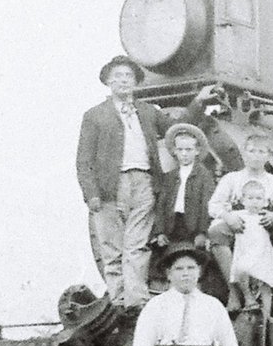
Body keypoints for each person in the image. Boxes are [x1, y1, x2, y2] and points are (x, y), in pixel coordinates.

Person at [76, 55, 217, 308]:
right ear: (108, 81)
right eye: (118, 76)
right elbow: (84, 159)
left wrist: (198, 101)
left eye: (128, 76)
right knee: (112, 249)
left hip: (144, 182)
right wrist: (91, 193)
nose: (123, 80)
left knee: (137, 246)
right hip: (109, 187)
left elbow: (177, 126)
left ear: (135, 82)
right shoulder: (94, 116)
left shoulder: (149, 112)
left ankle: (135, 303)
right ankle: (119, 301)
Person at [205, 134, 273, 312]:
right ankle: (234, 292)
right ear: (244, 153)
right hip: (240, 226)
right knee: (216, 233)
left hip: (266, 226)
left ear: (268, 156)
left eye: (261, 152)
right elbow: (214, 205)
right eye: (252, 151)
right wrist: (228, 217)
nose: (256, 156)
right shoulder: (232, 179)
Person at [150, 123, 219, 277]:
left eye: (188, 150)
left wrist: (202, 232)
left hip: (192, 227)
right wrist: (160, 232)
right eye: (180, 150)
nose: (184, 154)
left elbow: (206, 205)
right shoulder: (170, 177)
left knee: (195, 257)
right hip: (173, 224)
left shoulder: (204, 176)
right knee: (166, 258)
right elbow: (161, 206)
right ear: (174, 151)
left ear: (197, 151)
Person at [217, 179, 273, 320]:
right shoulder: (239, 215)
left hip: (263, 254)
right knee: (241, 269)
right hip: (245, 252)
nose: (254, 202)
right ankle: (248, 297)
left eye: (258, 198)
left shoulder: (265, 216)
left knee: (265, 285)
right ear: (243, 201)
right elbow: (221, 213)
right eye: (250, 198)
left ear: (265, 202)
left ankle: (267, 315)